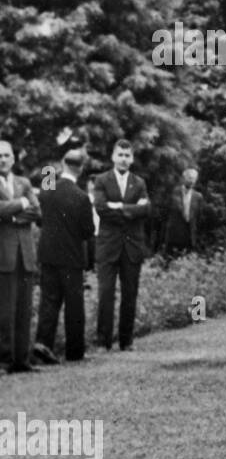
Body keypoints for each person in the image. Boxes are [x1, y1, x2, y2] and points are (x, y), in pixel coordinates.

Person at [32, 149, 94, 365]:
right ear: (81, 168)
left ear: (62, 164)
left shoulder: (47, 188)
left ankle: (43, 343)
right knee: (74, 304)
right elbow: (88, 231)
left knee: (48, 301)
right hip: (72, 257)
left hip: (47, 254)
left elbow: (40, 218)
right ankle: (74, 351)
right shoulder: (82, 197)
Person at [93, 140, 150, 351]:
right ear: (113, 156)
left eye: (128, 155)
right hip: (108, 246)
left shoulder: (140, 183)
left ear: (132, 158)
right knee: (105, 293)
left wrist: (118, 207)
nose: (124, 159)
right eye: (120, 154)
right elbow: (100, 208)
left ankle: (126, 341)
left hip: (132, 247)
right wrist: (132, 209)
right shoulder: (102, 180)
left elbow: (147, 210)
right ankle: (103, 341)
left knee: (130, 294)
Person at [0, 140, 42, 373]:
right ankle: (4, 360)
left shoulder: (24, 182)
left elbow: (37, 210)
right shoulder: (22, 189)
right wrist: (21, 203)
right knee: (4, 311)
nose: (3, 159)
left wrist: (13, 215)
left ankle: (22, 360)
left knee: (24, 310)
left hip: (25, 254)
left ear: (13, 159)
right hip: (3, 256)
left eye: (6, 155)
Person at [162, 168, 203, 258]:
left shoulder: (198, 197)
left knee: (187, 265)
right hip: (174, 237)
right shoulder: (174, 192)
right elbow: (165, 212)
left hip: (189, 238)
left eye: (194, 178)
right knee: (169, 263)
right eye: (189, 178)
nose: (192, 180)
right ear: (184, 178)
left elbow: (199, 218)